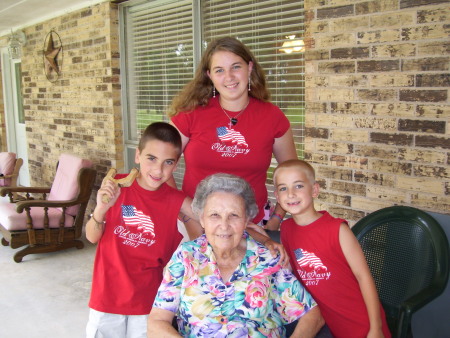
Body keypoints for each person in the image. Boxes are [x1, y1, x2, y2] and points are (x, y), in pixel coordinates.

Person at [148, 173, 324, 337]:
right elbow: (157, 321)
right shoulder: (186, 256)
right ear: (202, 218)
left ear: (246, 219)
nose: (224, 226)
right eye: (215, 215)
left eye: (234, 215)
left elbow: (312, 315)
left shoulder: (267, 258)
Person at [85, 122, 203, 338]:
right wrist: (101, 209)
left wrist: (258, 235)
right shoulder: (116, 185)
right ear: (138, 155)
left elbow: (213, 221)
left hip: (148, 302)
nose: (158, 170)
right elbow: (92, 236)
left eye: (168, 162)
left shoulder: (178, 201)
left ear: (176, 165)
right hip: (106, 296)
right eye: (151, 158)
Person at [168, 36, 297, 229]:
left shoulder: (272, 117)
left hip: (252, 226)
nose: (229, 77)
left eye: (236, 67)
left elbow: (292, 175)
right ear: (209, 75)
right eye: (219, 70)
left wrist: (276, 219)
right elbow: (160, 167)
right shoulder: (190, 114)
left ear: (250, 68)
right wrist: (188, 219)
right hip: (195, 223)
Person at [271, 159, 391, 338]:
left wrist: (376, 328)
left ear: (314, 190)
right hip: (330, 326)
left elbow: (363, 277)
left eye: (298, 186)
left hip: (362, 323)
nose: (290, 194)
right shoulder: (287, 230)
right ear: (278, 197)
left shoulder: (337, 229)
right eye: (283, 188)